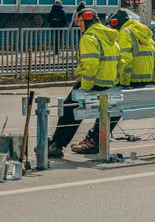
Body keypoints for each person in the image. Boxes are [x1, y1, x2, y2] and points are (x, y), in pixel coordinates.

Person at [47, 8, 126, 157]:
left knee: (68, 109)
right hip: (108, 86)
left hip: (93, 85)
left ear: (87, 20)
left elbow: (90, 66)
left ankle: (56, 145)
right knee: (76, 109)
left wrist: (85, 87)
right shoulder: (110, 38)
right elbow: (121, 63)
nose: (79, 26)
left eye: (80, 22)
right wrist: (114, 81)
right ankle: (91, 141)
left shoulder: (89, 38)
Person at [108, 9, 155, 88]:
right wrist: (154, 80)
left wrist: (124, 83)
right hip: (148, 83)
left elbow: (126, 60)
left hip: (132, 82)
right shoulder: (143, 32)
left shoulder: (124, 33)